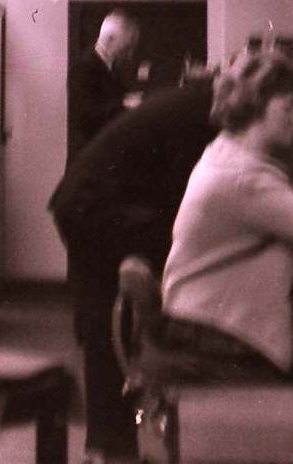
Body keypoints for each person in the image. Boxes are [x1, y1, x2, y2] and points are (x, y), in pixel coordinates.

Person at [49, 70, 218, 464]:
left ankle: (109, 445)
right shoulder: (200, 117)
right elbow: (180, 193)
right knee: (110, 328)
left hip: (94, 204)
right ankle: (109, 447)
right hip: (96, 210)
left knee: (110, 329)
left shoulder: (192, 105)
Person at [161, 51, 293, 378]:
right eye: (288, 107)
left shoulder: (225, 154)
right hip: (216, 331)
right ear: (255, 107)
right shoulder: (243, 178)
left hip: (196, 319)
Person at [67, 11, 142, 165]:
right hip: (88, 158)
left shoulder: (112, 68)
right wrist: (124, 104)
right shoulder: (83, 67)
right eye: (127, 47)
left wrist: (127, 100)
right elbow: (83, 115)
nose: (130, 54)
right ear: (109, 39)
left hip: (103, 155)